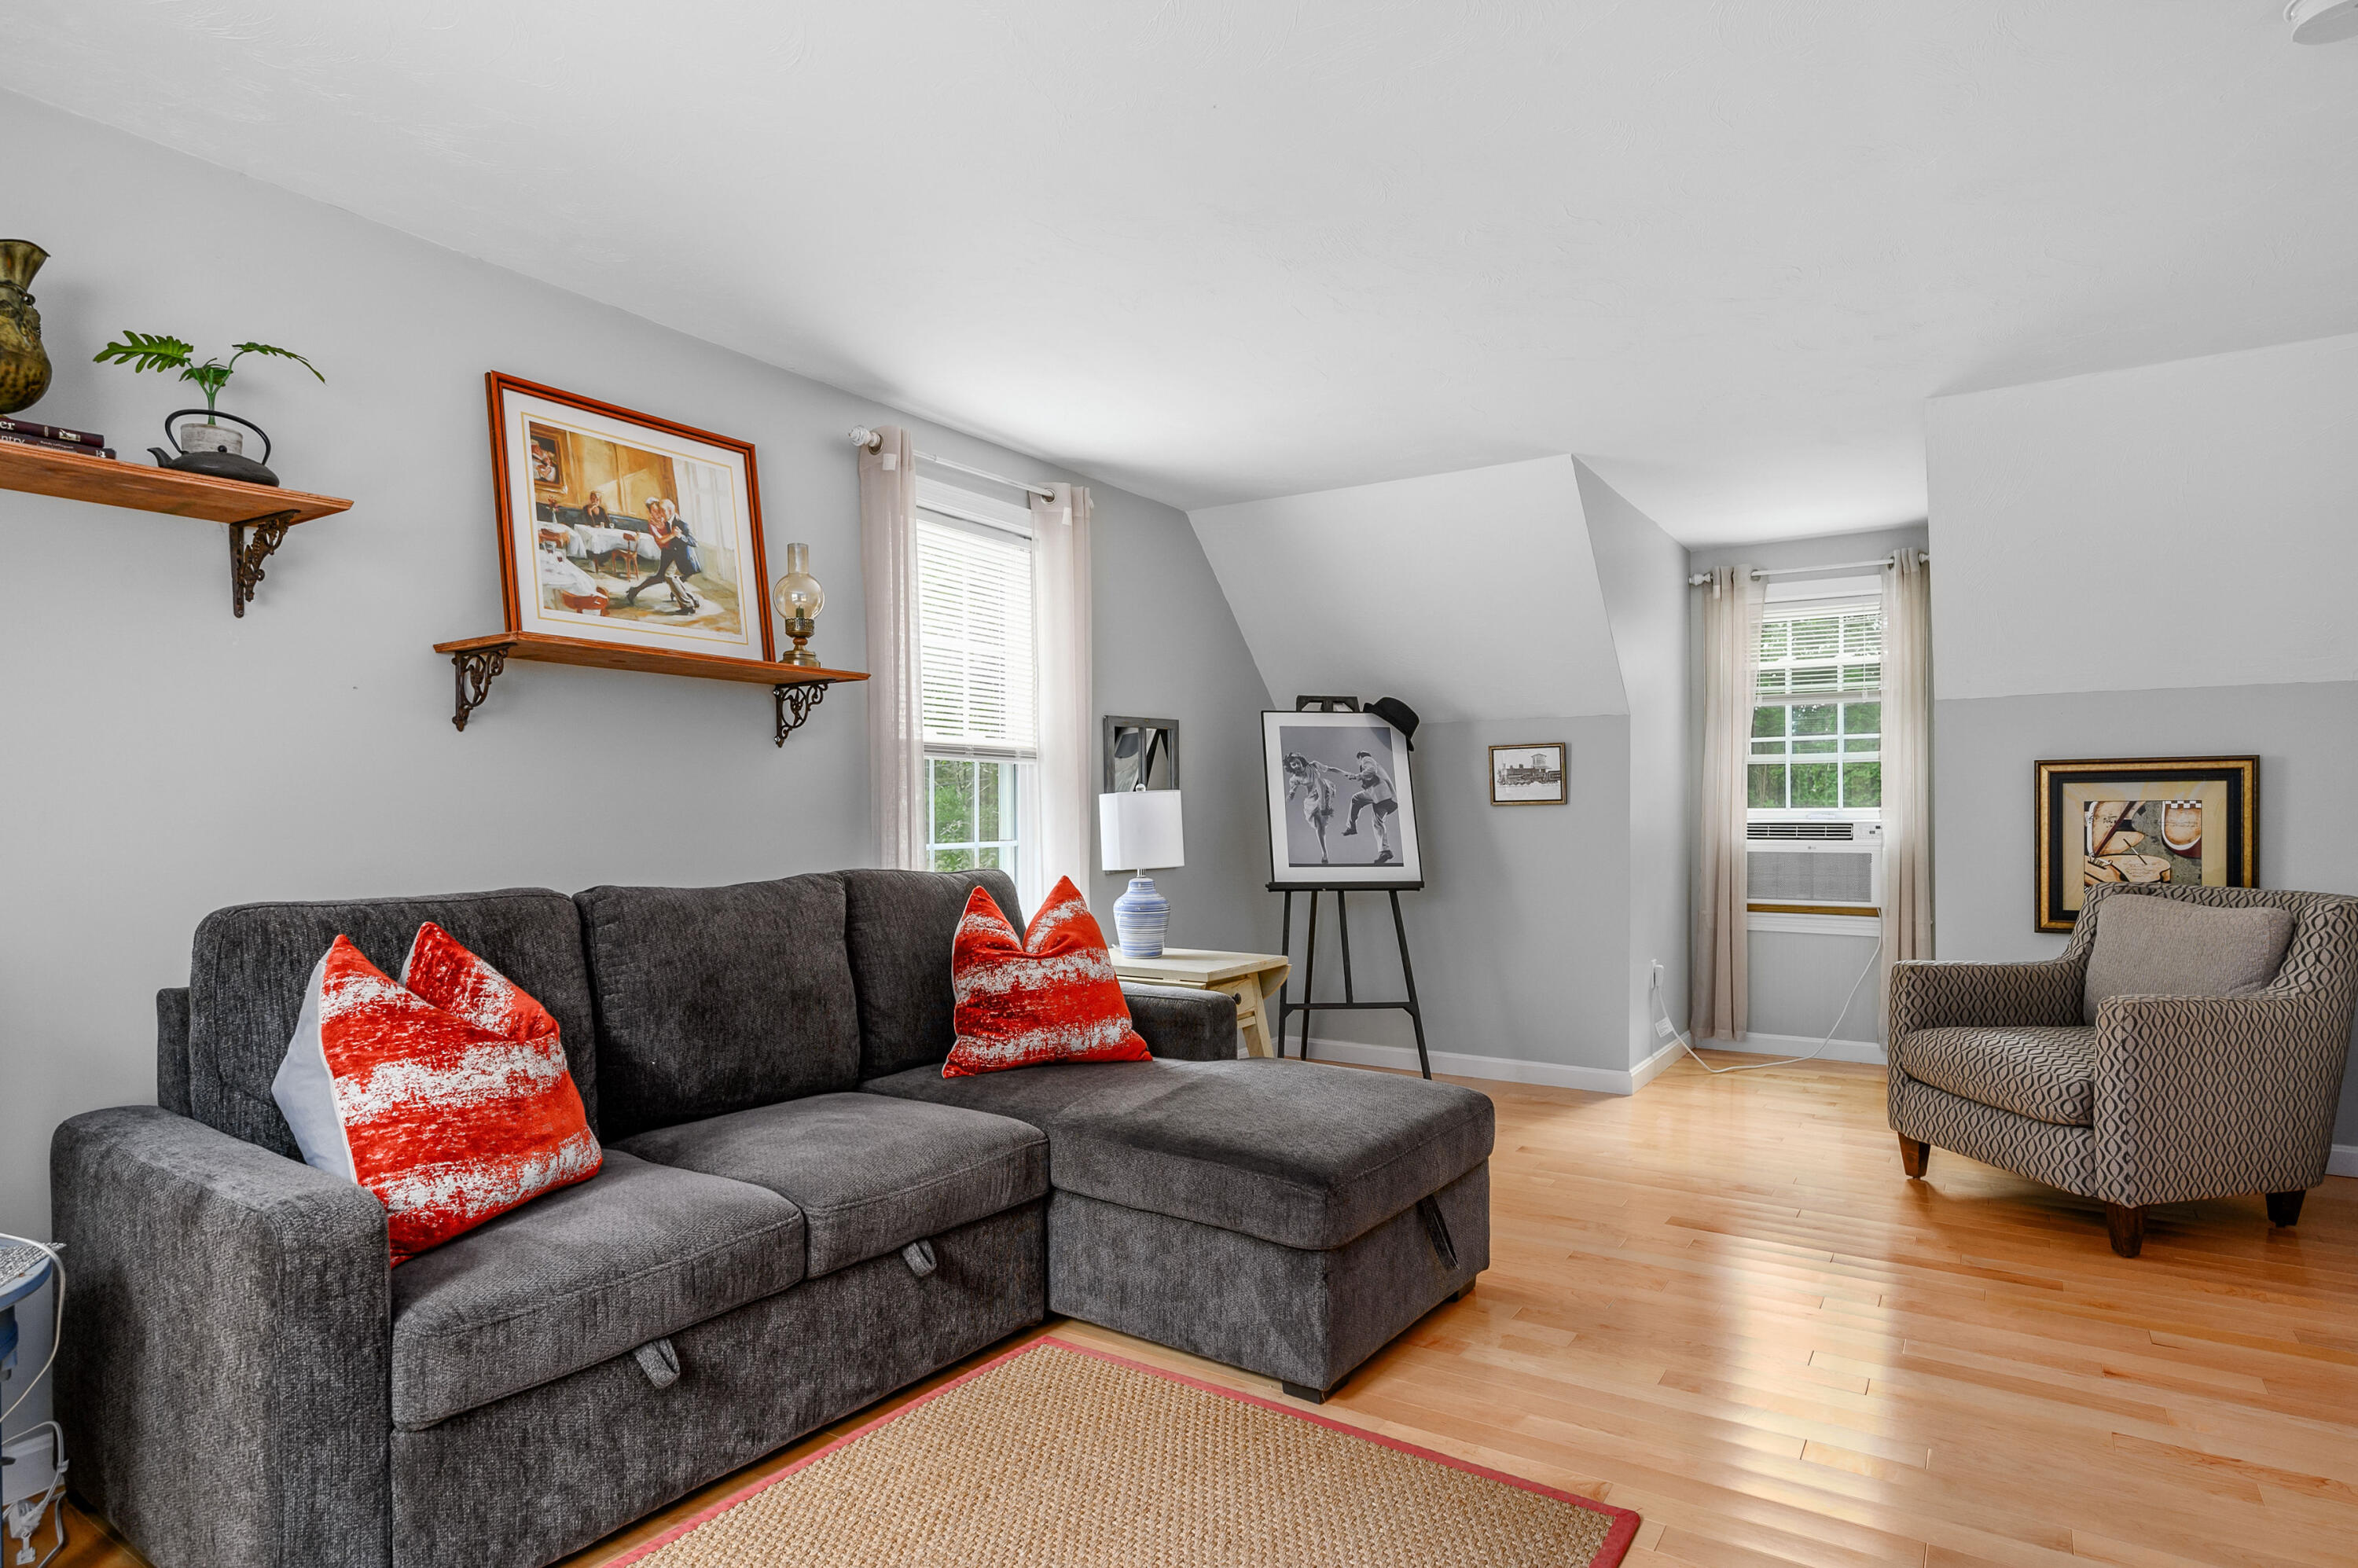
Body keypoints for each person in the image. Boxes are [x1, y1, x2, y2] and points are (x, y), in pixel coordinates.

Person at [623, 497, 702, 613]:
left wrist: (676, 526)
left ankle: (687, 599)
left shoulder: (668, 519)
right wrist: (673, 535)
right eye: (655, 512)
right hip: (667, 553)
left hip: (676, 553)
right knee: (662, 577)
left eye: (659, 511)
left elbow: (681, 528)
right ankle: (634, 591)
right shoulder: (652, 524)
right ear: (650, 513)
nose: (658, 514)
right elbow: (660, 541)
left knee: (670, 577)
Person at [1339, 749, 1399, 865]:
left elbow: (1371, 770)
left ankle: (1351, 827)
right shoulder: (1375, 765)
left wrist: (1357, 776)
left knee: (1355, 799)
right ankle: (1385, 851)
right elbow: (1371, 776)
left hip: (1380, 793)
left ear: (1360, 758)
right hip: (1387, 799)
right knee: (1377, 823)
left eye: (1358, 761)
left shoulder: (1366, 759)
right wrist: (1359, 778)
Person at [1284, 752, 1342, 864]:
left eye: (1297, 763)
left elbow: (1330, 769)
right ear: (1291, 767)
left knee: (1318, 781)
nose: (1296, 766)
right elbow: (1292, 794)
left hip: (1323, 791)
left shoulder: (1313, 765)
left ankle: (1324, 807)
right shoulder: (1294, 779)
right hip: (1311, 799)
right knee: (1319, 827)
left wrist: (1345, 773)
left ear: (1301, 761)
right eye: (1293, 765)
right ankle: (1325, 854)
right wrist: (1286, 799)